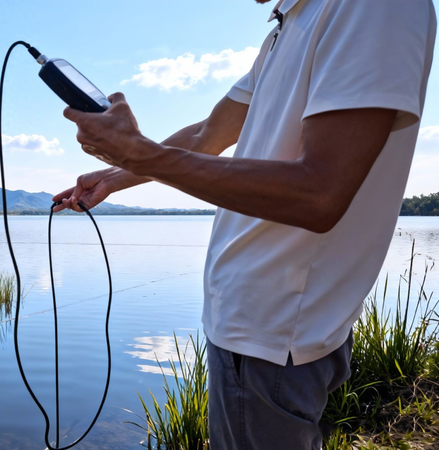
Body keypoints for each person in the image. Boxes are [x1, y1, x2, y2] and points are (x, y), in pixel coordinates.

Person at [52, 0, 437, 448]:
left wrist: (139, 153)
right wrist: (116, 176)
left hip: (273, 331)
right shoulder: (290, 22)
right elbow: (204, 136)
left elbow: (320, 193)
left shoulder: (373, 7)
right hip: (246, 326)